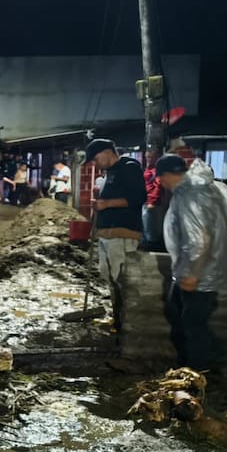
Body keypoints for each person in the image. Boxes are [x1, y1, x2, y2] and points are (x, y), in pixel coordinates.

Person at [157, 154, 227, 370]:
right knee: (185, 319)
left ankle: (196, 373)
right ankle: (191, 367)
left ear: (170, 175)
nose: (160, 182)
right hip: (195, 269)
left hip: (199, 272)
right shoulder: (193, 191)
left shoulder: (190, 194)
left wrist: (193, 273)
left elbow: (199, 240)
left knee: (193, 325)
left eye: (161, 177)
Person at [84, 138, 145, 333]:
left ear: (107, 151)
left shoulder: (129, 167)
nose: (95, 163)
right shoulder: (108, 173)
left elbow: (138, 197)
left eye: (95, 158)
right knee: (108, 275)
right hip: (105, 233)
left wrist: (107, 204)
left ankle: (128, 323)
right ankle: (117, 318)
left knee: (122, 278)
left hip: (123, 232)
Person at [141, 148, 165, 251]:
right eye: (147, 157)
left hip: (152, 204)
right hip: (145, 201)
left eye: (151, 157)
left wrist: (153, 202)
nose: (148, 159)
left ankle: (152, 249)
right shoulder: (148, 169)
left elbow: (158, 186)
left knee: (151, 230)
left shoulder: (157, 170)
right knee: (145, 228)